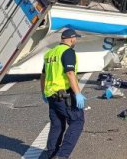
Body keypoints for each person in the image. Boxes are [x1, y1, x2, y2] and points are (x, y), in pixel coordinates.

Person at [41, 28, 86, 159]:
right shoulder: (68, 52)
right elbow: (70, 73)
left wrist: (43, 92)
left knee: (57, 125)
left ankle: (50, 154)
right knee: (77, 122)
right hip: (64, 95)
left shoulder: (50, 54)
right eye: (75, 38)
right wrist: (77, 93)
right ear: (71, 38)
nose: (75, 40)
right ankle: (62, 155)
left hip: (51, 95)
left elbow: (43, 75)